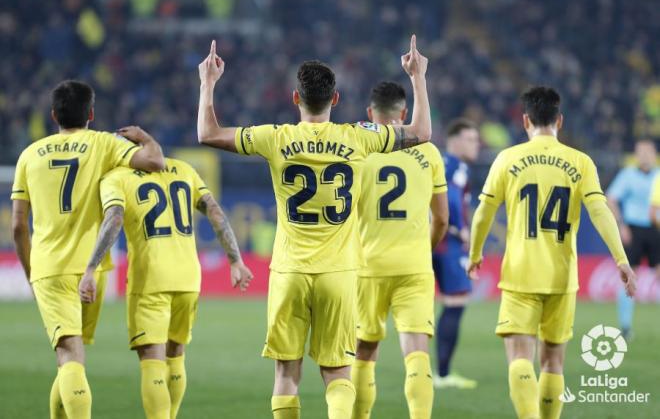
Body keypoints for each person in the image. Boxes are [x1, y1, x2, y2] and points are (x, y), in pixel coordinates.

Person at [196, 36, 432, 419]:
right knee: (337, 372)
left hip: (289, 271)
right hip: (339, 274)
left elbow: (208, 133)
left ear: (295, 98)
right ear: (335, 99)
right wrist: (418, 76)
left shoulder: (275, 137)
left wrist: (208, 84)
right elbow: (421, 132)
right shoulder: (358, 138)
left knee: (286, 372)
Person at [468, 86, 636, 419]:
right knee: (553, 363)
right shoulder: (580, 161)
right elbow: (600, 211)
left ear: (525, 120)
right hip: (563, 277)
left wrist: (475, 253)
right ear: (559, 120)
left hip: (520, 274)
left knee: (519, 357)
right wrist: (621, 259)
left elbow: (484, 212)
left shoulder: (507, 158)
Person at [11, 80, 165, 419]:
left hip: (50, 268)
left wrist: (31, 273)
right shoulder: (103, 144)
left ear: (53, 115)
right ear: (91, 114)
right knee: (72, 358)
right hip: (94, 270)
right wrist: (143, 136)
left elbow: (18, 226)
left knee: (69, 357)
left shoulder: (28, 156)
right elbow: (156, 162)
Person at [78, 156, 253, 419]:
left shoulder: (116, 178)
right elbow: (215, 211)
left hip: (151, 277)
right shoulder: (184, 168)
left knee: (152, 361)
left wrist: (91, 267)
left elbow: (114, 219)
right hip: (189, 277)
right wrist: (236, 260)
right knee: (176, 354)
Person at [351, 81, 449, 419]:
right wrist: (425, 250)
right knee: (417, 352)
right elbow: (442, 219)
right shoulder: (429, 152)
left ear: (369, 114)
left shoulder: (358, 151)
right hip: (414, 266)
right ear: (404, 114)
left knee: (364, 351)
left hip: (367, 265)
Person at [432, 118, 480, 389]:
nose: (476, 145)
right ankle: (443, 373)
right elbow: (449, 198)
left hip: (429, 240)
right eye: (471, 139)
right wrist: (461, 230)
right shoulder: (456, 166)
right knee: (455, 302)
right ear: (456, 140)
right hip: (447, 243)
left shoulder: (437, 161)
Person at [606, 137, 658, 340]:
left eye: (648, 151)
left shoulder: (659, 175)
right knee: (630, 278)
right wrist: (621, 224)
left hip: (656, 229)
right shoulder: (627, 174)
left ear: (654, 154)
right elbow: (611, 198)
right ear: (636, 155)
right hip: (634, 229)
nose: (644, 155)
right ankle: (626, 327)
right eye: (640, 151)